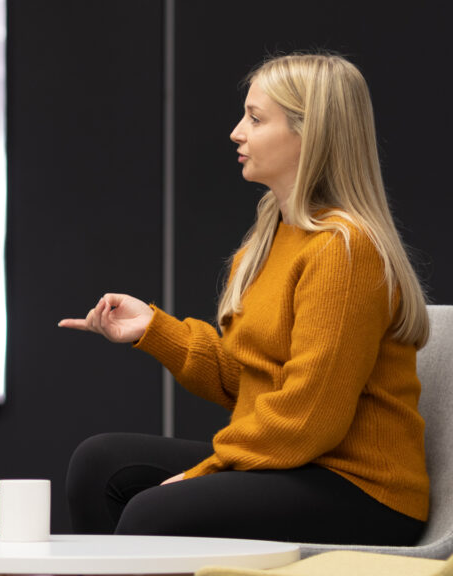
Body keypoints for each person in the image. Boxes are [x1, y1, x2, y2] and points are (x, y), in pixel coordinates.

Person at [58, 52, 430, 546]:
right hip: (297, 465)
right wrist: (154, 329)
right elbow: (250, 380)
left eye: (255, 119)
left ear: (309, 134)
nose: (236, 132)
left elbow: (307, 421)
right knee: (99, 464)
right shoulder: (270, 236)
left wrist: (204, 472)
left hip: (361, 488)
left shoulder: (344, 251)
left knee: (154, 511)